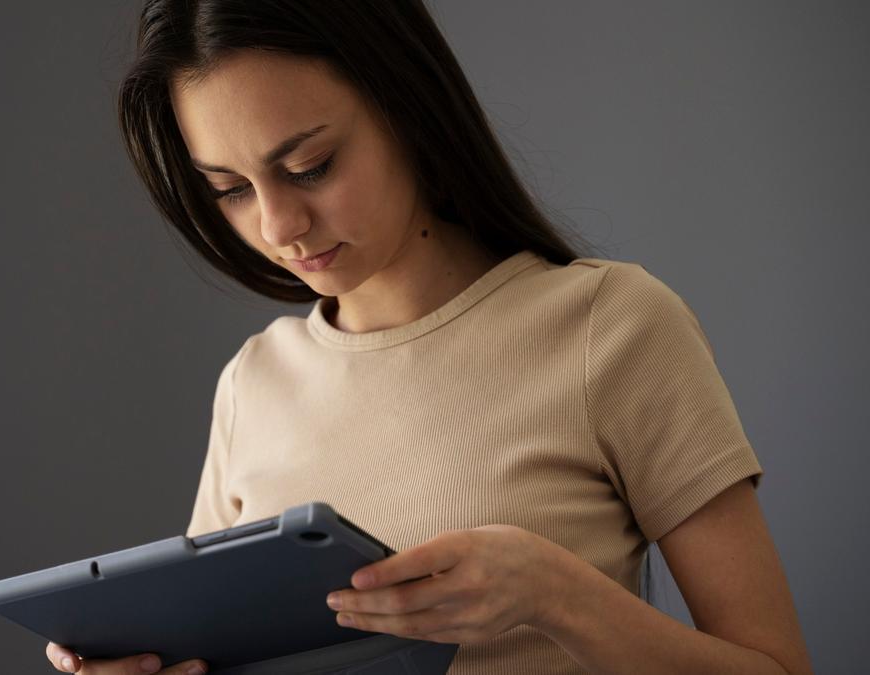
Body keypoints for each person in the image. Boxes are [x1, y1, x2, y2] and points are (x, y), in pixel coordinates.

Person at [48, 1, 813, 673]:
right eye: (231, 189)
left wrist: (554, 593)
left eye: (311, 166)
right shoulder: (254, 381)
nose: (278, 226)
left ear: (407, 107)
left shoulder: (610, 325)